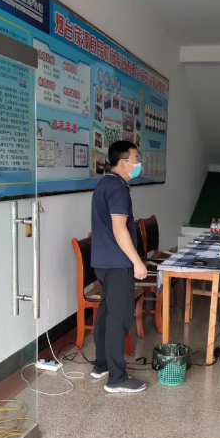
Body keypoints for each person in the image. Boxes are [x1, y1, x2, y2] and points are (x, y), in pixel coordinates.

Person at [90, 141, 148, 393]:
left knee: (105, 314)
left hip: (103, 262)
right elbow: (119, 229)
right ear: (123, 162)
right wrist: (137, 262)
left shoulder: (105, 183)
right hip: (117, 263)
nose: (138, 163)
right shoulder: (118, 189)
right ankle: (116, 378)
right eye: (136, 159)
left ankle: (101, 364)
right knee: (119, 318)